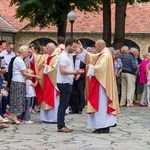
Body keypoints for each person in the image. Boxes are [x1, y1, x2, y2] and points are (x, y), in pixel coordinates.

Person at [77, 39, 120, 133]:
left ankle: (104, 126)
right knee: (101, 104)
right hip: (100, 82)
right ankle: (102, 125)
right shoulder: (103, 54)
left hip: (103, 85)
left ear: (100, 46)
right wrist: (82, 50)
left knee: (102, 104)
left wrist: (89, 67)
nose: (95, 48)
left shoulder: (106, 55)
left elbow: (100, 69)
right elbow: (92, 57)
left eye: (96, 46)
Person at [56, 38, 84, 133]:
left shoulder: (68, 55)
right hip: (64, 82)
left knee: (64, 105)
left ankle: (62, 124)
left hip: (67, 82)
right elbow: (62, 70)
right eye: (74, 46)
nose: (75, 48)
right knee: (63, 105)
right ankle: (60, 126)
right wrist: (74, 72)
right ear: (68, 46)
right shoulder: (63, 56)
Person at [9, 46, 41, 125]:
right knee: (17, 100)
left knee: (14, 100)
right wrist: (35, 76)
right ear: (23, 52)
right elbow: (24, 73)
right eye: (27, 51)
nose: (28, 53)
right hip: (18, 82)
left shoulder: (17, 59)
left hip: (16, 81)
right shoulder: (20, 61)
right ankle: (15, 118)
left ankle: (14, 117)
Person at [70, 46, 86, 114]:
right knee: (73, 93)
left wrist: (80, 75)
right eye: (75, 52)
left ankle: (80, 108)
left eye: (78, 52)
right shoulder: (72, 58)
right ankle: (74, 108)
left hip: (81, 77)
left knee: (80, 93)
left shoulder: (83, 59)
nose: (77, 54)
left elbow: (85, 68)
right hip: (73, 76)